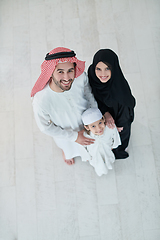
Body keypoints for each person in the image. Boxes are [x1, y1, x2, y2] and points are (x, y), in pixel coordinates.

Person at [31, 47, 97, 165]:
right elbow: (45, 127)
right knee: (69, 148)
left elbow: (88, 93)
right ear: (51, 72)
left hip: (89, 123)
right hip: (67, 133)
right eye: (60, 72)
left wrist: (95, 117)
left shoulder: (80, 77)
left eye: (70, 71)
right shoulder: (41, 100)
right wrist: (74, 137)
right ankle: (66, 152)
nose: (67, 78)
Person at [88, 49, 136, 159]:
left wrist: (119, 125)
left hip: (120, 116)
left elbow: (126, 111)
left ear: (113, 69)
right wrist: (105, 112)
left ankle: (120, 149)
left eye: (107, 69)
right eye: (98, 69)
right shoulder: (92, 74)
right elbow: (94, 95)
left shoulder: (120, 91)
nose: (102, 74)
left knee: (120, 135)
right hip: (104, 111)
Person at [82, 108, 121, 176]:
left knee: (108, 160)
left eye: (100, 123)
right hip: (94, 155)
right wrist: (87, 156)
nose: (99, 128)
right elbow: (83, 147)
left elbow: (115, 137)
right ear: (87, 127)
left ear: (103, 119)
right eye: (93, 126)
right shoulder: (86, 136)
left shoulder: (110, 129)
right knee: (97, 164)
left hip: (107, 151)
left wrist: (113, 146)